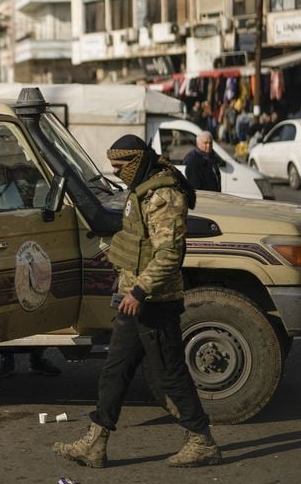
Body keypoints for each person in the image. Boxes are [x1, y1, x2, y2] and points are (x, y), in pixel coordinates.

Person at [54, 135, 220, 468]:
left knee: (169, 375)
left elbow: (168, 254)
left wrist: (139, 291)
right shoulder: (142, 188)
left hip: (155, 301)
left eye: (120, 167)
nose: (116, 173)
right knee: (114, 371)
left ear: (136, 161)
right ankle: (95, 443)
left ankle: (201, 440)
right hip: (134, 299)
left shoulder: (164, 196)